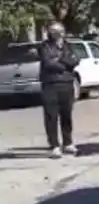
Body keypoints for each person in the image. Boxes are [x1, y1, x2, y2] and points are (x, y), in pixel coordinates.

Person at [38, 22, 80, 158]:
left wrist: (60, 60)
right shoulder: (45, 46)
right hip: (50, 84)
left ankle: (68, 143)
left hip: (67, 84)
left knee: (66, 115)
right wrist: (64, 63)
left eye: (58, 30)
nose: (56, 33)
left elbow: (75, 60)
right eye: (53, 30)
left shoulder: (68, 45)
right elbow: (48, 63)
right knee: (51, 116)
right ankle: (54, 145)